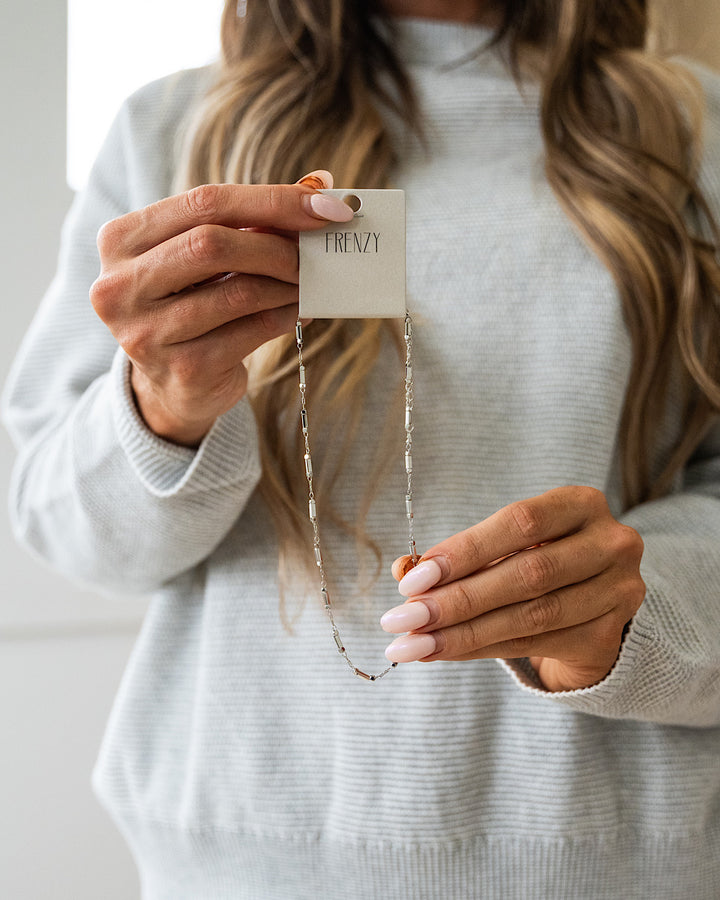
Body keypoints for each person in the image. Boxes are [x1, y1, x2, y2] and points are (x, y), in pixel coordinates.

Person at [3, 0, 720, 896]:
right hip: (238, 867)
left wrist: (632, 614)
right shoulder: (168, 130)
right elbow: (59, 524)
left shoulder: (701, 130)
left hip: (617, 865)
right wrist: (165, 405)